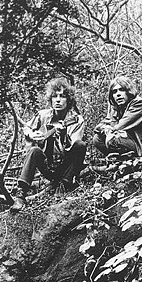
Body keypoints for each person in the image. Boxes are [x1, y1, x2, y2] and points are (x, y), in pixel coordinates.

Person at [11, 78, 86, 212]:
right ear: (50, 99)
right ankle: (21, 195)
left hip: (66, 167)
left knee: (80, 145)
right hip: (48, 166)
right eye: (54, 96)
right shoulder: (42, 115)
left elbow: (74, 146)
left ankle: (63, 186)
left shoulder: (76, 120)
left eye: (62, 96)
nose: (58, 100)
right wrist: (32, 134)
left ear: (69, 100)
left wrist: (63, 136)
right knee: (34, 150)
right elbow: (26, 128)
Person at [93, 76, 142, 162]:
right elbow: (100, 126)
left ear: (128, 91)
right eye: (114, 91)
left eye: (121, 90)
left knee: (113, 139)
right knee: (97, 139)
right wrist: (105, 128)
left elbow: (120, 126)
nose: (118, 94)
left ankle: (132, 162)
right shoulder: (116, 107)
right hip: (129, 141)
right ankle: (118, 162)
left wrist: (109, 129)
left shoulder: (137, 103)